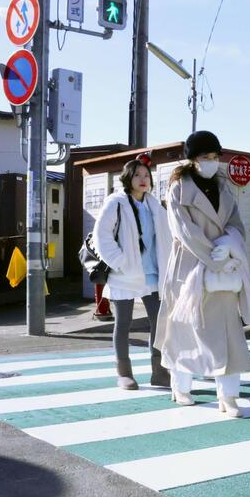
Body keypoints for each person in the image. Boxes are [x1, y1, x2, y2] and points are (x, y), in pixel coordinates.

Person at [155, 131, 250, 414]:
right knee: (184, 331)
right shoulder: (178, 187)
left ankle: (227, 396)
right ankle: (180, 387)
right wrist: (217, 257)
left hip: (224, 267)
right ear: (192, 159)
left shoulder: (224, 187)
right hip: (189, 267)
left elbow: (237, 223)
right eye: (205, 157)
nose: (211, 162)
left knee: (229, 334)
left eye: (215, 157)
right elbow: (184, 231)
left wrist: (229, 244)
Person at [93, 155, 172, 391]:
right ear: (128, 178)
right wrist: (120, 262)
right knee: (123, 324)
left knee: (159, 324)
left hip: (153, 274)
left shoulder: (154, 205)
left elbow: (166, 237)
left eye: (146, 175)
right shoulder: (115, 202)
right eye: (137, 175)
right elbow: (101, 235)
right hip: (124, 275)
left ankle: (159, 372)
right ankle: (124, 373)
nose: (143, 179)